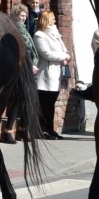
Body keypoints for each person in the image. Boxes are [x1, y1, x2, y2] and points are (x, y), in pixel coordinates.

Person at [2, 3, 39, 144]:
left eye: (25, 16)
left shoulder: (24, 30)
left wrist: (33, 65)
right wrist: (28, 67)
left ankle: (23, 130)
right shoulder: (13, 29)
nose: (24, 18)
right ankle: (7, 131)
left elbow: (31, 51)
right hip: (20, 70)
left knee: (26, 101)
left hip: (29, 70)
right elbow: (17, 52)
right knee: (17, 101)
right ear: (15, 15)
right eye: (21, 16)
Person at [33, 10, 69, 140]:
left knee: (51, 104)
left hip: (56, 75)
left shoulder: (55, 34)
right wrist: (63, 56)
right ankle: (41, 130)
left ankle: (50, 129)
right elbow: (46, 54)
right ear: (46, 20)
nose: (55, 21)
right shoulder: (39, 35)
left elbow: (63, 49)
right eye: (52, 19)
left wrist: (65, 54)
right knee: (44, 105)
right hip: (46, 75)